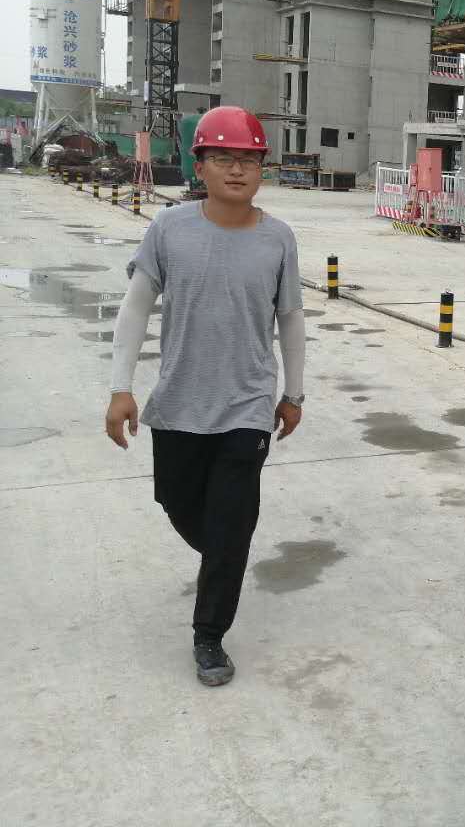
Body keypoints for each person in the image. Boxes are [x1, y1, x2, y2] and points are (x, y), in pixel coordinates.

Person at [104, 105, 305, 688]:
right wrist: (121, 389)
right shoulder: (170, 229)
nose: (236, 170)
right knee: (178, 502)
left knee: (233, 525)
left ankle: (209, 635)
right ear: (200, 165)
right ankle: (221, 554)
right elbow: (135, 307)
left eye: (248, 160)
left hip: (248, 406)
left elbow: (290, 319)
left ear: (262, 168)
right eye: (222, 158)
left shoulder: (278, 239)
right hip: (179, 403)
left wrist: (294, 393)